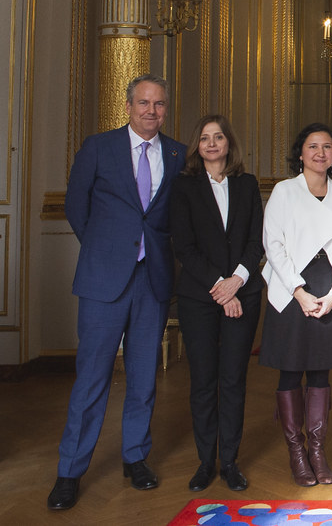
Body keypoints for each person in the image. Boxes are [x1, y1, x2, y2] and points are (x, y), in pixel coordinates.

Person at [48, 74, 187, 511]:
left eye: (159, 104)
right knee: (92, 379)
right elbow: (76, 204)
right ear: (128, 106)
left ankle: (135, 458)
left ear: (166, 109)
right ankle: (70, 471)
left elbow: (174, 217)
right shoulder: (98, 147)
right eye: (144, 103)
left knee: (144, 379)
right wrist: (105, 251)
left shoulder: (178, 153)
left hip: (153, 282)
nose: (152, 111)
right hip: (103, 281)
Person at [260, 123, 332, 487]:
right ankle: (296, 453)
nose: (320, 153)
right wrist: (299, 292)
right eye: (313, 146)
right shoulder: (284, 192)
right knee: (290, 369)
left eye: (327, 147)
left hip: (327, 286)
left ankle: (318, 451)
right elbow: (274, 245)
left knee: (320, 371)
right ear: (300, 153)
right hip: (291, 289)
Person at [170, 115, 264, 492]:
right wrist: (220, 287)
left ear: (229, 143)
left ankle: (231, 463)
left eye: (218, 136)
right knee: (204, 381)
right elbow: (184, 247)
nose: (211, 143)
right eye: (205, 137)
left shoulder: (247, 184)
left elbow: (256, 240)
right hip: (200, 298)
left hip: (244, 292)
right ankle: (205, 461)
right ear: (198, 145)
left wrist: (237, 281)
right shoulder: (184, 187)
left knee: (233, 379)